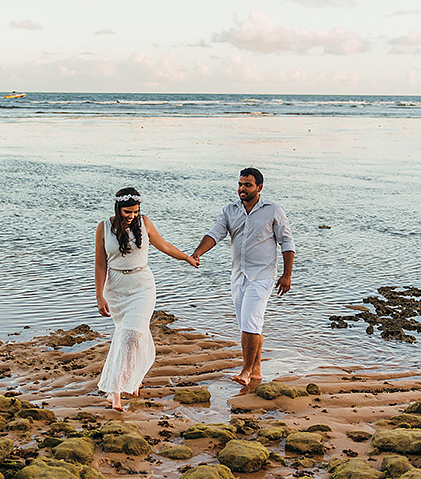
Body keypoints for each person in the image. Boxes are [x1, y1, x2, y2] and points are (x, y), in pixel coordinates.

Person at [95, 187, 199, 411]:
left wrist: (187, 258)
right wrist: (99, 295)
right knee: (127, 335)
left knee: (132, 335)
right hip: (117, 289)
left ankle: (115, 392)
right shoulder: (103, 228)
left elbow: (164, 246)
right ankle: (133, 377)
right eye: (127, 212)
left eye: (135, 211)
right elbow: (100, 264)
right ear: (118, 208)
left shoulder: (144, 223)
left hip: (143, 286)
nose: (131, 216)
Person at [191, 168, 295, 386]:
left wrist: (287, 275)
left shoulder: (273, 210)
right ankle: (256, 369)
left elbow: (287, 242)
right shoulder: (230, 210)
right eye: (240, 184)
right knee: (251, 324)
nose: (242, 189)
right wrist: (198, 252)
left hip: (263, 275)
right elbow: (215, 234)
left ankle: (246, 371)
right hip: (238, 276)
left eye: (247, 185)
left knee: (250, 322)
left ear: (259, 187)